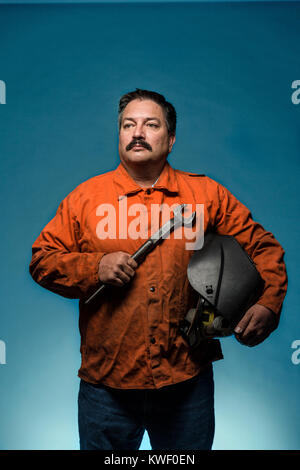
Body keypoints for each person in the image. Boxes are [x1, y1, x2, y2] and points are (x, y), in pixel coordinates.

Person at [29, 89, 287, 451]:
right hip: (106, 389)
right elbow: (42, 259)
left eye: (151, 124)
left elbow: (263, 247)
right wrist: (94, 266)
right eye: (127, 125)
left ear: (171, 138)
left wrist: (269, 303)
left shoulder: (206, 194)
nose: (137, 132)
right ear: (119, 134)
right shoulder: (85, 198)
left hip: (187, 382)